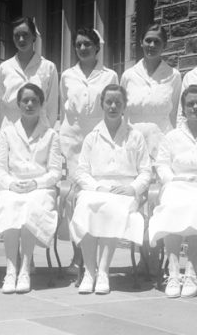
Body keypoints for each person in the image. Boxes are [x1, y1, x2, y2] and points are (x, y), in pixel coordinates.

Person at [70, 84, 151, 294]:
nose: (113, 106)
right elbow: (80, 171)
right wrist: (97, 187)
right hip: (96, 188)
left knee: (113, 208)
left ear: (124, 106)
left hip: (124, 190)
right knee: (85, 205)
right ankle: (89, 270)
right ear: (102, 105)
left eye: (118, 102)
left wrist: (133, 188)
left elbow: (145, 172)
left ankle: (104, 270)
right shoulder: (92, 136)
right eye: (109, 102)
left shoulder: (135, 136)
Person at [59, 27, 118, 272]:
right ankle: (78, 256)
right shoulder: (67, 75)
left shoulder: (109, 75)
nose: (82, 48)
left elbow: (113, 106)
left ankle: (95, 257)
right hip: (71, 139)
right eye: (78, 44)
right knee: (73, 198)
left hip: (98, 140)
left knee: (95, 196)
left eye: (87, 44)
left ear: (97, 47)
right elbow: (64, 107)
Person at [0, 83, 61, 294]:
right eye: (25, 100)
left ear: (42, 105)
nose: (30, 104)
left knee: (31, 206)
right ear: (18, 104)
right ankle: (10, 269)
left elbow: (55, 172)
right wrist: (11, 184)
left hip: (40, 187)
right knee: (11, 204)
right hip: (12, 185)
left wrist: (36, 183)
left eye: (35, 101)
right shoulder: (7, 133)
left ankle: (25, 267)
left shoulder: (51, 135)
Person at [149, 85, 197, 298]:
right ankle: (174, 271)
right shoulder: (172, 136)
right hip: (177, 184)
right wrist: (172, 180)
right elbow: (161, 164)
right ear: (183, 108)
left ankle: (192, 272)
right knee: (171, 206)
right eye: (190, 104)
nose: (195, 107)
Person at [0, 17, 58, 129]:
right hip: (11, 130)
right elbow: (1, 106)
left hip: (39, 133)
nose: (21, 39)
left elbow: (52, 107)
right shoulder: (4, 68)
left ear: (34, 36)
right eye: (17, 35)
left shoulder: (48, 67)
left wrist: (46, 132)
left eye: (25, 34)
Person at [120, 24, 181, 134]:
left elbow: (176, 114)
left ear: (164, 45)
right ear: (141, 42)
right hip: (134, 141)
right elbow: (122, 113)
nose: (152, 45)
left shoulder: (174, 76)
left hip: (163, 143)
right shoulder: (128, 76)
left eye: (157, 41)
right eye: (148, 40)